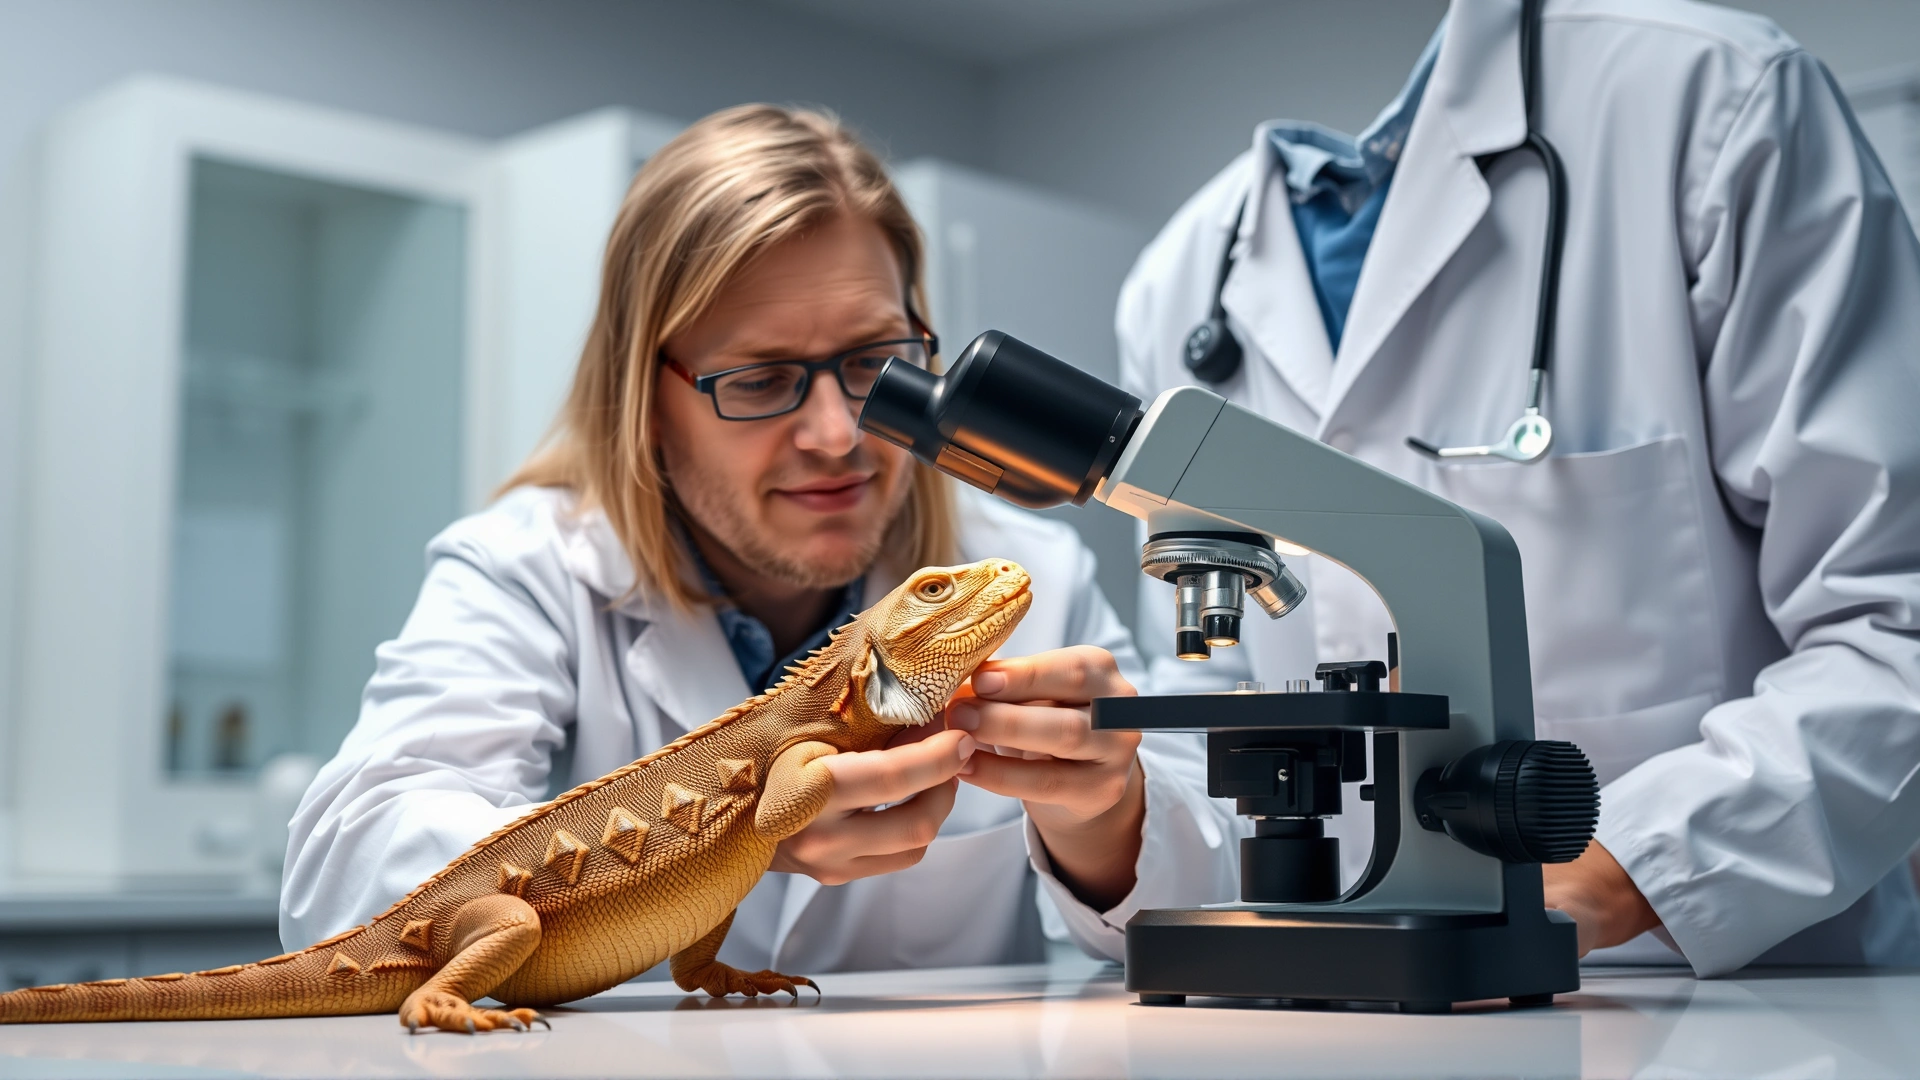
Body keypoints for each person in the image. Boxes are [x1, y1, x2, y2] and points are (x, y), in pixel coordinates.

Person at [282, 105, 1240, 973]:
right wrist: (729, 832)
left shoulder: (1032, 575)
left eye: (874, 362)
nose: (836, 435)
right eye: (756, 379)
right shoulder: (530, 569)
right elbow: (346, 878)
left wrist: (1111, 820)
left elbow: (1212, 892)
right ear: (642, 398)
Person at [1117, 0, 1920, 977]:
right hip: (1344, 1004)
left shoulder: (1709, 97)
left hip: (1739, 998)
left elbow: (1896, 623)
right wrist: (1107, 820)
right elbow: (1209, 684)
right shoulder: (1178, 278)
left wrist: (1625, 868)